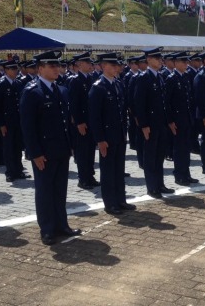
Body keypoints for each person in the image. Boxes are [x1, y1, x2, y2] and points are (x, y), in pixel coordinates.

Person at [20, 50, 81, 245]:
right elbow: (28, 127)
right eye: (52, 66)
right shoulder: (32, 91)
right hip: (44, 152)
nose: (57, 69)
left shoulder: (61, 90)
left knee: (59, 190)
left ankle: (61, 225)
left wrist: (70, 145)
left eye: (58, 65)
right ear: (40, 68)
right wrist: (35, 153)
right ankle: (47, 229)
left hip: (61, 149)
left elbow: (66, 122)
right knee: (45, 191)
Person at [88, 52, 136, 215]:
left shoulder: (118, 84)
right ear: (103, 66)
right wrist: (100, 139)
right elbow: (95, 117)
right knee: (108, 171)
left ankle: (120, 200)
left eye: (117, 65)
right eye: (112, 65)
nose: (116, 68)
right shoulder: (98, 87)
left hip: (120, 134)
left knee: (118, 169)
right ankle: (110, 203)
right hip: (107, 137)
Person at [134, 47, 174, 199]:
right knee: (150, 158)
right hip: (150, 125)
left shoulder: (160, 77)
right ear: (149, 60)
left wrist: (168, 121)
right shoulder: (143, 78)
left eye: (160, 58)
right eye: (157, 58)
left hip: (161, 124)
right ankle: (152, 187)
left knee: (159, 156)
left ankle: (160, 184)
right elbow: (139, 104)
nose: (160, 61)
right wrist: (144, 125)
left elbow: (164, 103)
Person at [0, 60, 29, 183]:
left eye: (16, 68)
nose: (15, 71)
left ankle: (18, 170)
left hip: (18, 121)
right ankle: (10, 172)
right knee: (8, 148)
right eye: (12, 69)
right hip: (6, 122)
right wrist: (0, 124)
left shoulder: (18, 84)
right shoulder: (0, 85)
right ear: (6, 70)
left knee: (18, 147)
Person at [165, 52, 198, 185]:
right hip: (177, 120)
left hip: (186, 118)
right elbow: (167, 102)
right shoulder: (171, 78)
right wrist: (170, 121)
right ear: (176, 63)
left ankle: (186, 173)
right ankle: (179, 175)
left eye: (186, 62)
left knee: (186, 148)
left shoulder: (185, 77)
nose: (186, 64)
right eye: (183, 62)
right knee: (179, 149)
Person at [68, 52, 99, 190]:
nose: (90, 65)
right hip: (82, 122)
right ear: (80, 64)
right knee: (82, 151)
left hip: (91, 121)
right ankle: (83, 178)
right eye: (87, 63)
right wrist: (79, 122)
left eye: (90, 63)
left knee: (91, 150)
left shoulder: (91, 78)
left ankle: (90, 175)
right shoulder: (76, 80)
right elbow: (74, 104)